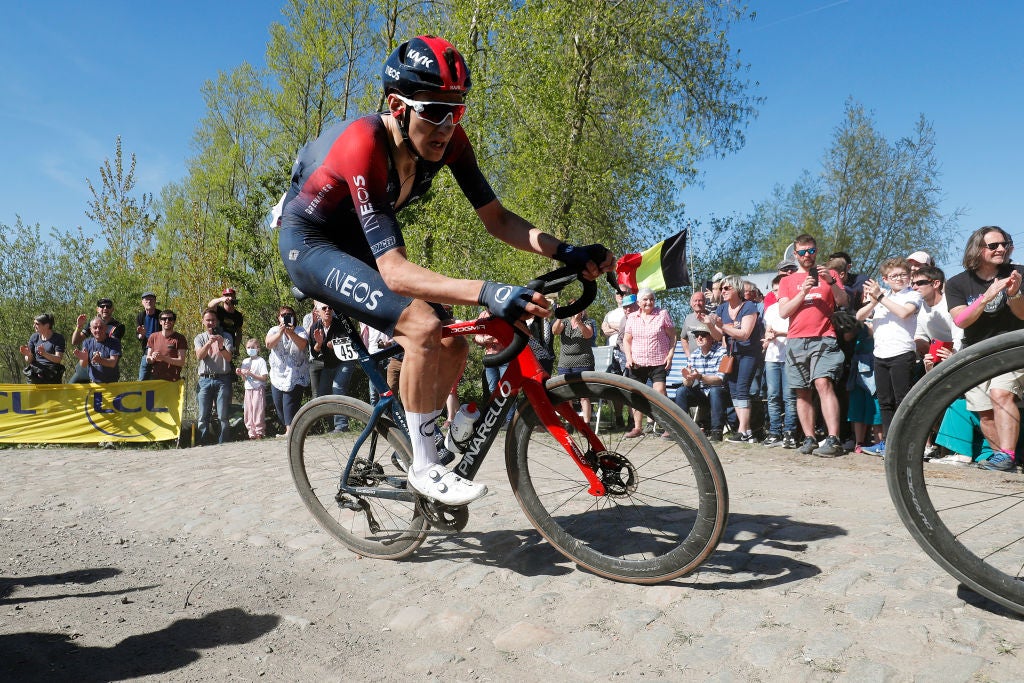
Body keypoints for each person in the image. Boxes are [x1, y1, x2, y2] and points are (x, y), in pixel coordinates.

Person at [276, 36, 612, 505]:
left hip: (361, 239)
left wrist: (566, 251)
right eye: (434, 110)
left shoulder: (449, 141)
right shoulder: (361, 146)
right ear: (397, 106)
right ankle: (425, 465)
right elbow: (393, 272)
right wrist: (487, 290)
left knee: (451, 337)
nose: (446, 126)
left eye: (457, 112)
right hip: (312, 245)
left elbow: (497, 218)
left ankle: (432, 435)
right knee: (421, 323)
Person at [945, 226, 1024, 471]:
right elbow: (961, 320)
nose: (1001, 248)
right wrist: (986, 296)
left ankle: (1008, 455)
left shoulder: (1018, 273)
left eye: (1005, 244)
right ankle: (1003, 458)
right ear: (978, 249)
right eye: (994, 245)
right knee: (984, 409)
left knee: (1000, 394)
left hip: (1011, 349)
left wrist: (1014, 295)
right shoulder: (958, 283)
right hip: (976, 352)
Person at [777, 234, 850, 457]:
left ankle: (833, 439)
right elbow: (783, 312)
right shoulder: (787, 281)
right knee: (802, 391)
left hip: (824, 338)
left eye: (811, 251)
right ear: (795, 254)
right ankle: (809, 437)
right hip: (796, 340)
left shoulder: (831, 274)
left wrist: (829, 281)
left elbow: (843, 301)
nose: (807, 255)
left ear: (816, 251)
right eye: (802, 252)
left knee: (823, 383)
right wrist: (803, 291)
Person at [855, 258, 922, 456]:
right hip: (880, 354)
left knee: (903, 400)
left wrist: (881, 297)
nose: (899, 279)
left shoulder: (912, 295)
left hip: (902, 353)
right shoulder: (881, 298)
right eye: (894, 276)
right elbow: (859, 317)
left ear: (909, 277)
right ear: (885, 279)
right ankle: (888, 442)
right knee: (884, 401)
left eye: (903, 275)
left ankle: (905, 443)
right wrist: (874, 300)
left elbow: (904, 313)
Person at [705, 274, 764, 443]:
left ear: (736, 289)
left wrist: (723, 325)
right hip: (731, 354)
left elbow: (744, 335)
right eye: (721, 288)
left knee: (743, 388)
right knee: (733, 390)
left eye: (726, 288)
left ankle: (743, 431)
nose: (722, 291)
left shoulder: (749, 307)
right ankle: (745, 430)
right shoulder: (722, 309)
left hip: (748, 354)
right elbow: (718, 337)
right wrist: (710, 325)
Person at [622, 288, 676, 438]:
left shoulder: (662, 314)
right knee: (636, 395)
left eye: (651, 299)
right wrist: (628, 357)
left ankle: (668, 427)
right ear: (639, 302)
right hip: (637, 362)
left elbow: (673, 336)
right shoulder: (632, 317)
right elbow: (627, 340)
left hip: (658, 360)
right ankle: (637, 428)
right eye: (645, 299)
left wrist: (670, 355)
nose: (649, 302)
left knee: (659, 393)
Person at [674, 322, 729, 442]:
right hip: (702, 392)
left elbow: (720, 380)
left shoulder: (723, 353)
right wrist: (688, 378)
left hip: (720, 392)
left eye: (703, 334)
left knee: (715, 390)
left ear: (712, 337)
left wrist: (700, 377)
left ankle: (716, 431)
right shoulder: (693, 355)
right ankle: (682, 429)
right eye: (696, 335)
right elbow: (688, 383)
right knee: (681, 391)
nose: (699, 338)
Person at [761, 275, 797, 448]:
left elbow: (796, 332)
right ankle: (775, 431)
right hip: (772, 357)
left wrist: (779, 334)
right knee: (772, 395)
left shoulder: (793, 308)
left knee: (789, 396)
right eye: (774, 290)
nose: (777, 293)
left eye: (779, 290)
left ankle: (790, 432)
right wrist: (768, 337)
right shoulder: (771, 310)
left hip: (789, 356)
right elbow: (768, 329)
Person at [308, 302, 355, 431]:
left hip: (345, 362)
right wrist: (319, 343)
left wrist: (334, 344)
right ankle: (328, 426)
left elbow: (352, 341)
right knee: (322, 395)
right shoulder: (314, 328)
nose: (328, 310)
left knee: (337, 387)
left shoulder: (341, 323)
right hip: (329, 364)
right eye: (324, 308)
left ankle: (341, 426)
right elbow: (313, 352)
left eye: (330, 307)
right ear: (317, 312)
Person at [266, 305, 310, 437]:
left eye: (289, 314)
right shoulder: (273, 330)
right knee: (279, 405)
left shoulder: (300, 330)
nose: (286, 317)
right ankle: (293, 429)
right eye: (283, 315)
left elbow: (302, 345)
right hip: (277, 375)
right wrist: (280, 333)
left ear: (294, 317)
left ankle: (290, 432)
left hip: (296, 374)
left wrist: (291, 333)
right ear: (278, 318)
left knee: (289, 403)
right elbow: (268, 344)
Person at [194, 308, 235, 445]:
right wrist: (208, 343)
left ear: (217, 321)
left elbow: (228, 358)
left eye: (213, 320)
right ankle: (203, 441)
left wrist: (221, 345)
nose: (211, 323)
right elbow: (200, 356)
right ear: (203, 322)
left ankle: (224, 441)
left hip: (222, 378)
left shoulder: (227, 337)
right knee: (203, 415)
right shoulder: (199, 338)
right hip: (205, 379)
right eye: (208, 320)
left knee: (223, 414)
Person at [552, 303, 597, 424]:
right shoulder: (565, 322)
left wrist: (579, 322)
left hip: (583, 362)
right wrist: (559, 316)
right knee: (567, 395)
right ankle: (570, 422)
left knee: (584, 395)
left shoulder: (587, 321)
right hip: (565, 363)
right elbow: (555, 331)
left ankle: (586, 423)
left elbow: (588, 335)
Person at [70, 298, 126, 383]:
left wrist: (99, 359)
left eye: (108, 306)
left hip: (107, 368)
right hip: (89, 364)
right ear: (97, 309)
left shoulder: (118, 326)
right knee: (72, 386)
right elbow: (75, 341)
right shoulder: (92, 323)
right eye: (102, 306)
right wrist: (79, 327)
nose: (105, 308)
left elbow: (110, 345)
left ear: (112, 309)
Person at [237, 338, 270, 439]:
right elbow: (244, 378)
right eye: (248, 347)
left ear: (258, 348)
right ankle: (251, 433)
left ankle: (259, 432)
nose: (250, 349)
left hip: (258, 388)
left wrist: (252, 374)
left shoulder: (261, 361)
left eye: (253, 347)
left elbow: (264, 377)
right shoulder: (245, 361)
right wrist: (240, 373)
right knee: (248, 411)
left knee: (258, 410)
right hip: (248, 389)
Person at [73, 316, 121, 383]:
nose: (98, 330)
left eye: (100, 327)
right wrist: (84, 359)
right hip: (94, 384)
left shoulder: (114, 342)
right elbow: (83, 365)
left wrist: (100, 360)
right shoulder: (87, 342)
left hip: (111, 384)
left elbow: (112, 363)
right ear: (91, 330)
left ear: (105, 328)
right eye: (95, 328)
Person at [20, 313, 66, 384]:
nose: (34, 326)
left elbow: (58, 359)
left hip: (51, 377)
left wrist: (44, 354)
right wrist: (28, 354)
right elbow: (29, 360)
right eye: (34, 323)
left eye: (37, 324)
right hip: (35, 376)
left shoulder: (58, 338)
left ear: (47, 325)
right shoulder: (34, 337)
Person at [145, 309, 187, 381]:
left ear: (174, 322)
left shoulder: (180, 338)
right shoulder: (153, 336)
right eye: (164, 319)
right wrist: (151, 358)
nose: (167, 321)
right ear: (160, 322)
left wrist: (163, 358)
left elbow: (181, 362)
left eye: (170, 319)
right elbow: (149, 358)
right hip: (155, 380)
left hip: (172, 381)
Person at [135, 292, 162, 380]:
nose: (149, 301)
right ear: (142, 302)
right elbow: (138, 336)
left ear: (155, 301)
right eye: (146, 300)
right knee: (142, 381)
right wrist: (142, 335)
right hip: (146, 353)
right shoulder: (140, 316)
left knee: (158, 381)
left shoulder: (161, 315)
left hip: (160, 353)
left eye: (151, 299)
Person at [208, 287, 244, 352]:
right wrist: (221, 299)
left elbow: (239, 333)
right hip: (217, 342)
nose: (229, 297)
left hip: (230, 345)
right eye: (226, 295)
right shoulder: (219, 310)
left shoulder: (238, 315)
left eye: (231, 295)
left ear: (234, 297)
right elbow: (210, 305)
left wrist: (237, 348)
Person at [680, 291, 710, 357]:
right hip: (693, 360)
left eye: (700, 300)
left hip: (710, 358)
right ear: (691, 303)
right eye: (695, 301)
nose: (697, 303)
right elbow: (683, 338)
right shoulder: (688, 318)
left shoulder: (711, 317)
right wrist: (688, 355)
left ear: (705, 302)